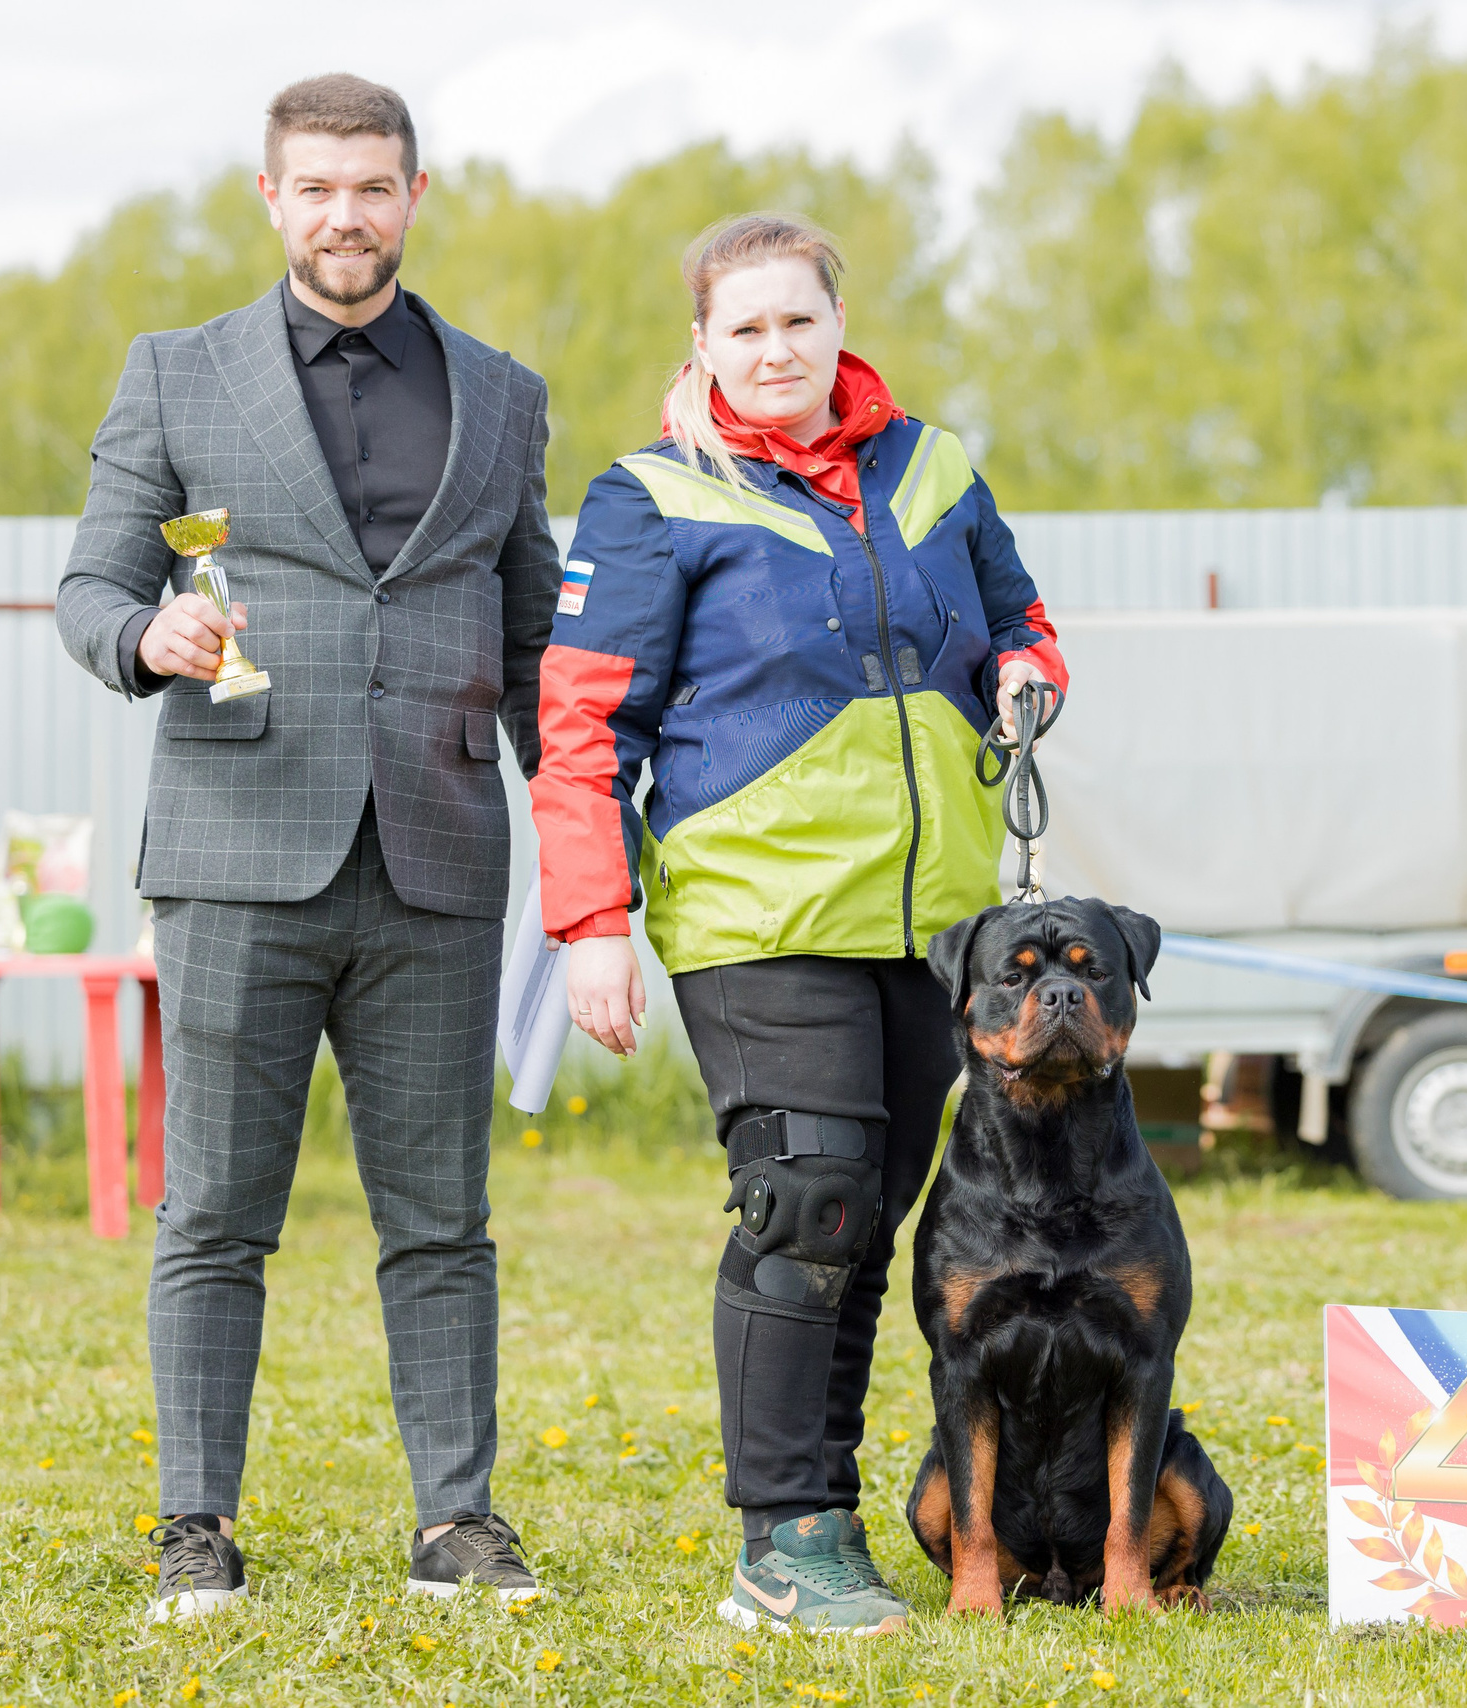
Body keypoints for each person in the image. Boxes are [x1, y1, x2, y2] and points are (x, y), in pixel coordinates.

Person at [55, 73, 560, 1621]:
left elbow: (531, 643)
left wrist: (590, 851)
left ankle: (457, 1525)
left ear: (416, 195)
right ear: (271, 196)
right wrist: (148, 636)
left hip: (438, 863)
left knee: (443, 1223)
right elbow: (90, 591)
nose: (348, 214)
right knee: (213, 1217)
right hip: (235, 856)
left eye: (374, 186)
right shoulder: (175, 374)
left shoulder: (502, 394)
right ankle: (196, 1529)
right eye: (318, 187)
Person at [530, 211, 1068, 1633]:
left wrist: (1026, 676)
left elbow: (1019, 622)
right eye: (746, 327)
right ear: (703, 343)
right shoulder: (653, 499)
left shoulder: (937, 470)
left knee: (868, 1219)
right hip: (757, 915)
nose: (776, 349)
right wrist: (592, 921)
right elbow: (582, 730)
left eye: (798, 320)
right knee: (806, 1200)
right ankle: (782, 1540)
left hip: (933, 924)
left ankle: (828, 1513)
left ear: (838, 325)